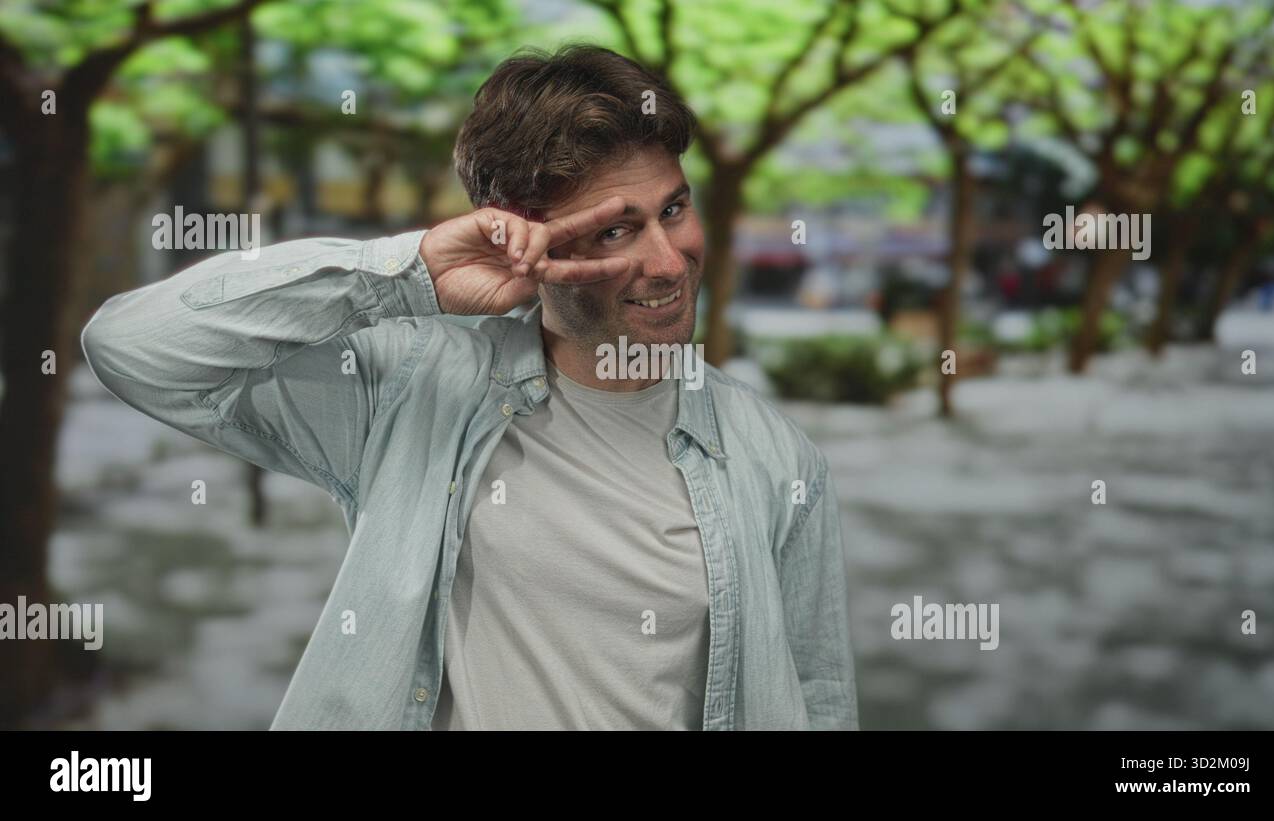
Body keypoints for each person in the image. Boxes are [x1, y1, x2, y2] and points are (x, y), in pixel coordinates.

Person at [80, 44, 858, 730]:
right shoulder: (412, 389)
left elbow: (818, 697)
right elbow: (134, 345)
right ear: (519, 234)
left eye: (674, 210)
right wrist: (404, 274)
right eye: (616, 230)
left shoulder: (775, 459)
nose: (667, 260)